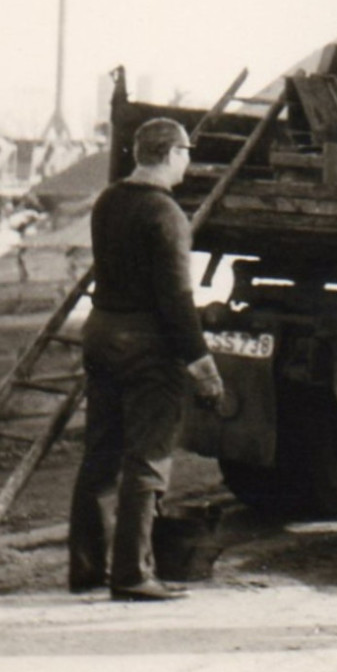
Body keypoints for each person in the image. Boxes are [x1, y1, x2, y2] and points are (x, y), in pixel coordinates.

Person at [68, 118, 224, 601]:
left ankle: (87, 570)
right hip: (147, 346)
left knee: (101, 455)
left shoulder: (108, 200)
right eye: (187, 153)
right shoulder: (167, 214)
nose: (189, 162)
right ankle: (133, 575)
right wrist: (202, 365)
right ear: (174, 153)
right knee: (148, 460)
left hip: (102, 333)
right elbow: (177, 300)